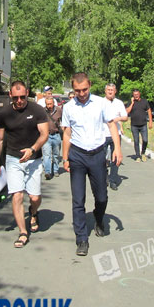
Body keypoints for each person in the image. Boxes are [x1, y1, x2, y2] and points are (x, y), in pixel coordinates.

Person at [61, 72, 121, 256]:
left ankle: (99, 218)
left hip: (97, 155)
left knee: (101, 196)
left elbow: (111, 125)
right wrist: (65, 158)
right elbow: (67, 133)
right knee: (78, 199)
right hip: (77, 156)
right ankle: (81, 239)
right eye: (77, 90)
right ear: (73, 89)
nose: (81, 93)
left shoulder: (101, 103)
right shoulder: (69, 107)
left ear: (90, 85)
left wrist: (117, 149)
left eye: (84, 89)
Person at [0, 80, 49, 248]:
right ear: (10, 95)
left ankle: (34, 211)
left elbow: (44, 134)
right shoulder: (4, 114)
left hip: (33, 159)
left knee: (34, 197)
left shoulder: (37, 110)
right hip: (13, 159)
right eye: (15, 97)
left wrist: (32, 149)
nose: (19, 101)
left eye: (22, 97)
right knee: (17, 195)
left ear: (27, 93)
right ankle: (23, 232)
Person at [102, 83, 128, 190]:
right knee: (101, 158)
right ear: (105, 91)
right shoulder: (100, 102)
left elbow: (125, 117)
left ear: (115, 91)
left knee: (116, 158)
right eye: (108, 90)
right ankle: (103, 178)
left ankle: (113, 180)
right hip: (103, 134)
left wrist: (117, 119)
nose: (110, 92)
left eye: (112, 90)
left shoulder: (119, 103)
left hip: (115, 134)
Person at [126, 89, 152, 162]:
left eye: (137, 94)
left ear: (139, 94)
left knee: (145, 140)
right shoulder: (131, 102)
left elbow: (149, 110)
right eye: (134, 95)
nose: (136, 96)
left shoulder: (144, 101)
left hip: (143, 125)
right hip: (134, 125)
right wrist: (132, 103)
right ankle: (137, 156)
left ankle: (143, 153)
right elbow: (127, 111)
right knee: (136, 141)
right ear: (133, 95)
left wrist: (150, 122)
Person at [42, 96, 63, 180]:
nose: (49, 105)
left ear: (53, 103)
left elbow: (63, 121)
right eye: (47, 104)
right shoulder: (42, 111)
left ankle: (55, 170)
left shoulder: (58, 110)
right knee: (46, 154)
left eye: (50, 104)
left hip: (56, 135)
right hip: (46, 135)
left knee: (56, 154)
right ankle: (47, 172)